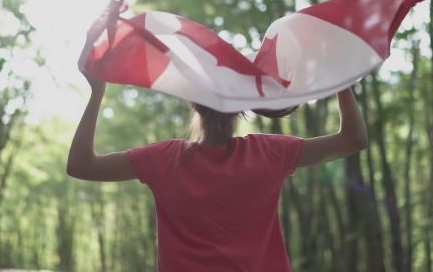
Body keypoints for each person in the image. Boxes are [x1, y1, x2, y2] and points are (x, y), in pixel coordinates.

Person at [67, 71, 369, 271]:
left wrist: (97, 91)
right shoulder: (270, 153)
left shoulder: (163, 159)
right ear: (240, 108)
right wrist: (340, 82)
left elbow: (81, 165)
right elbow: (353, 139)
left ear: (193, 105)